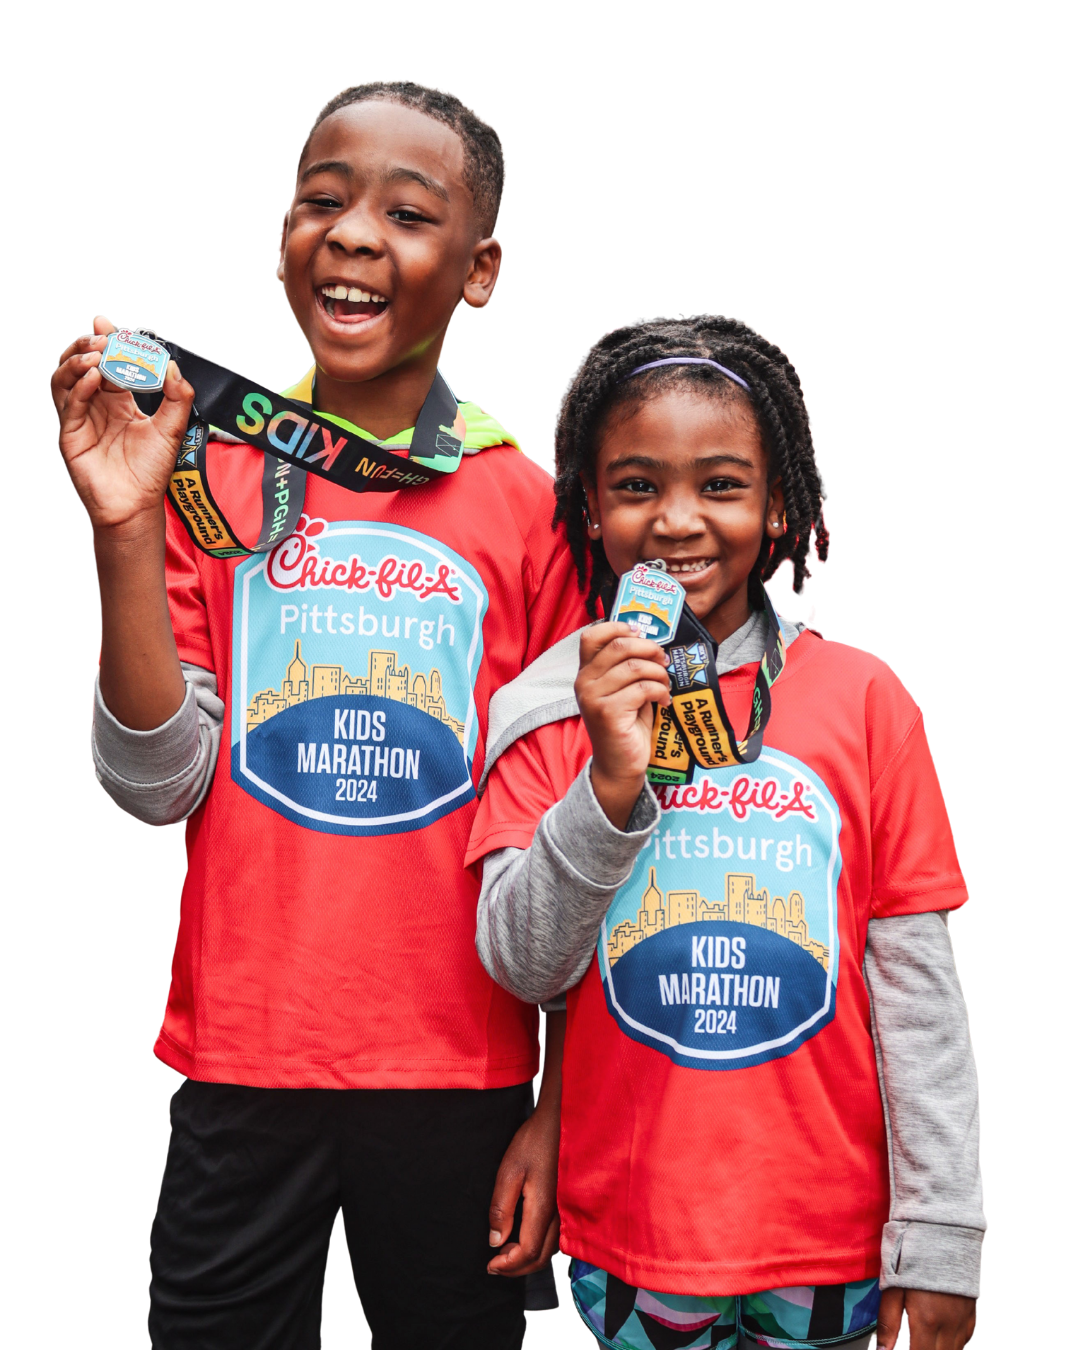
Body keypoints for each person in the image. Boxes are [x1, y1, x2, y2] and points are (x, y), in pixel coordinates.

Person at [52, 80, 585, 1349]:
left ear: (481, 270)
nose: (351, 235)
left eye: (408, 213)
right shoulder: (206, 466)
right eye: (321, 202)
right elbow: (153, 787)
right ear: (283, 238)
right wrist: (125, 532)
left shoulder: (532, 508)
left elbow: (580, 834)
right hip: (241, 1056)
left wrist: (566, 1109)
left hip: (469, 1072)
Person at [467, 315, 984, 1350]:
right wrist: (611, 780)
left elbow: (917, 993)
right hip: (632, 1236)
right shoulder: (548, 704)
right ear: (590, 507)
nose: (677, 521)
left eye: (722, 484)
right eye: (636, 485)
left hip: (834, 1240)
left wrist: (939, 1235)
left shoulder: (866, 697)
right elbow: (523, 963)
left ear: (779, 502)